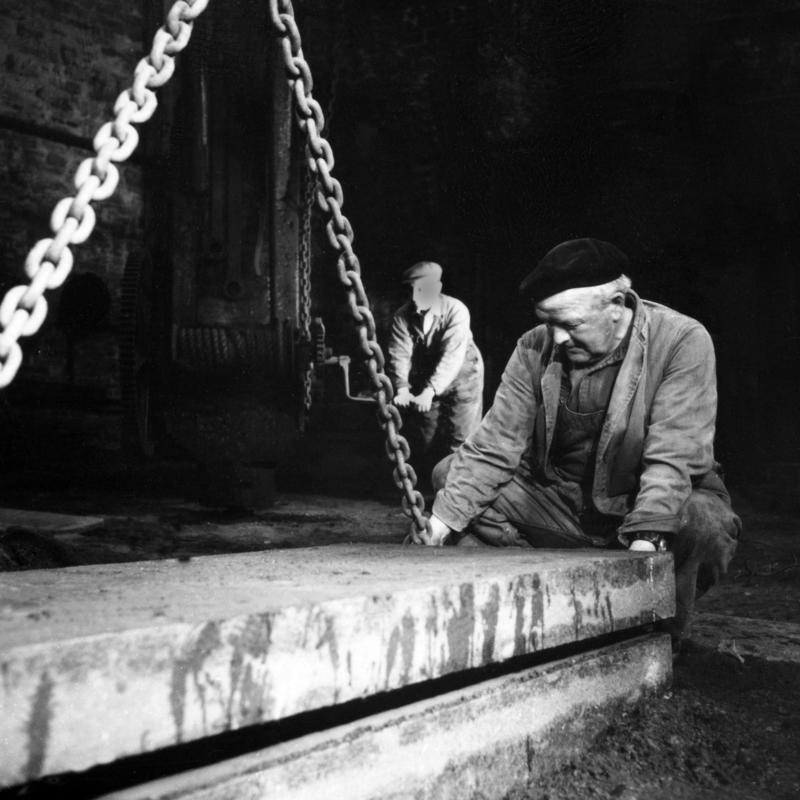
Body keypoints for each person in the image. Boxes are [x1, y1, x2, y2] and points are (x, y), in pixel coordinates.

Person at [411, 239, 741, 648]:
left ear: (617, 303)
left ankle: (651, 638)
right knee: (450, 478)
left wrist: (644, 547)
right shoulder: (535, 345)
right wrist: (438, 525)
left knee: (702, 522)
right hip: (563, 503)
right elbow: (495, 444)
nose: (558, 337)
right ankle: (549, 600)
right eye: (549, 323)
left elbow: (672, 457)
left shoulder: (681, 340)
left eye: (571, 324)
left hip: (640, 505)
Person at [388, 261, 484, 477]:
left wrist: (430, 390)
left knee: (462, 435)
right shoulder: (402, 316)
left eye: (421, 289)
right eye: (411, 289)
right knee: (425, 433)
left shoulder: (456, 311)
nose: (414, 297)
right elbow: (399, 353)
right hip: (428, 375)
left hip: (464, 376)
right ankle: (427, 484)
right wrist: (402, 387)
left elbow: (452, 355)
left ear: (437, 288)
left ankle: (460, 488)